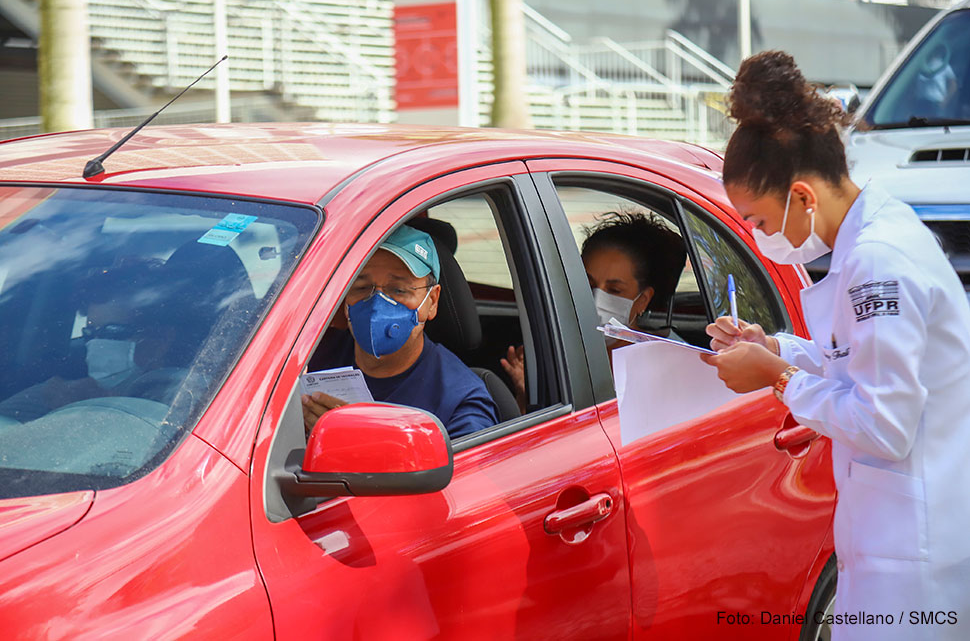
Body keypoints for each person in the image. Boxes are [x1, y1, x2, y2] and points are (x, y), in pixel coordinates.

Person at [701, 51, 970, 640]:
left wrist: (775, 379)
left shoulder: (878, 263)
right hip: (893, 540)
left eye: (761, 222)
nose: (762, 237)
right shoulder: (871, 239)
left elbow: (884, 424)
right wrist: (774, 347)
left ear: (801, 197)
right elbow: (856, 360)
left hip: (915, 559)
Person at [301, 225, 499, 439]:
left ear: (431, 302)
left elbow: (462, 471)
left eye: (398, 290)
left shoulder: (459, 402)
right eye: (361, 287)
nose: (376, 305)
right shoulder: (306, 357)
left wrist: (356, 443)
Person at [501, 210, 686, 408]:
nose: (597, 299)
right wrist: (527, 398)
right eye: (587, 284)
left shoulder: (673, 367)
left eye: (614, 290)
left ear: (642, 300)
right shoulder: (556, 354)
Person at [0, 262, 185, 423]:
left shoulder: (189, 398)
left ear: (162, 339)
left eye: (112, 332)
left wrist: (91, 407)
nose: (96, 345)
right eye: (90, 333)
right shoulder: (66, 389)